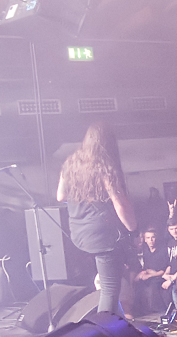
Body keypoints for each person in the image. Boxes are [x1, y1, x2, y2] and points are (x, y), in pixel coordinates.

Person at [57, 122, 136, 314]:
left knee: (103, 281)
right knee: (110, 290)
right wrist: (133, 227)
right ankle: (105, 329)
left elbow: (61, 196)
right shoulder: (105, 167)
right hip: (102, 236)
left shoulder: (71, 163)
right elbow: (120, 203)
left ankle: (114, 324)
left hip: (78, 233)